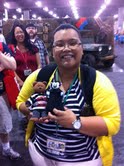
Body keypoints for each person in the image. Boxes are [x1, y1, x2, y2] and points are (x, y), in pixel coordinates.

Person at [16, 24, 121, 166]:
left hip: (82, 159)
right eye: (59, 44)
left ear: (81, 49)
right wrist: (30, 110)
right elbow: (20, 101)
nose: (66, 48)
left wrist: (75, 122)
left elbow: (112, 123)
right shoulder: (40, 76)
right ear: (53, 51)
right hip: (41, 152)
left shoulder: (96, 81)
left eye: (72, 43)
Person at [0, 42, 21, 159]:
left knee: (4, 125)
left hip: (2, 93)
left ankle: (6, 149)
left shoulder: (2, 45)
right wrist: (3, 65)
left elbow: (13, 65)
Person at [9, 23, 41, 89]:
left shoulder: (33, 48)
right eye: (17, 33)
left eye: (21, 32)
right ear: (14, 35)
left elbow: (39, 65)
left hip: (34, 82)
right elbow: (11, 69)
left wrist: (36, 79)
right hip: (19, 84)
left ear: (25, 33)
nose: (20, 34)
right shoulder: (11, 49)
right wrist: (20, 82)